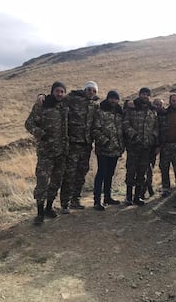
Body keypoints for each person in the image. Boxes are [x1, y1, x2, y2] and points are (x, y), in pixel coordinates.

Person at [36, 81, 100, 213]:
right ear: (84, 90)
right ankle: (65, 203)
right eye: (89, 89)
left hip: (87, 144)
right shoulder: (73, 99)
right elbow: (56, 97)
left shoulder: (95, 105)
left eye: (94, 91)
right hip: (72, 144)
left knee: (81, 173)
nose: (91, 92)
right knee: (69, 174)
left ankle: (75, 200)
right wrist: (41, 95)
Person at [25, 81, 69, 225]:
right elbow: (29, 123)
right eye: (57, 91)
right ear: (52, 91)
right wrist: (40, 134)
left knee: (56, 181)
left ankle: (49, 208)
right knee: (42, 182)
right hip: (46, 152)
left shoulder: (65, 106)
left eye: (62, 91)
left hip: (61, 152)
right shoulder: (42, 105)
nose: (60, 94)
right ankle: (39, 213)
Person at [123, 87, 158, 205]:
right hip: (133, 146)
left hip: (146, 147)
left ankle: (137, 196)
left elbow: (156, 127)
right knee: (131, 171)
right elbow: (126, 123)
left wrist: (152, 137)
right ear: (139, 95)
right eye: (143, 94)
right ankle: (128, 197)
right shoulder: (132, 108)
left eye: (147, 95)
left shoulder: (152, 110)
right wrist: (134, 136)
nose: (145, 96)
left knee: (142, 172)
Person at [91, 91, 125, 210]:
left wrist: (121, 146)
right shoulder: (100, 112)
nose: (113, 101)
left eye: (115, 99)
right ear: (108, 99)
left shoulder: (119, 113)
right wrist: (104, 141)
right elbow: (95, 130)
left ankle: (107, 197)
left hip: (115, 150)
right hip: (103, 149)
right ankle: (97, 201)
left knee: (110, 174)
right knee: (101, 173)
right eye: (111, 98)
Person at [143, 98, 165, 198]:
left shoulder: (165, 115)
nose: (157, 106)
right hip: (148, 145)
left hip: (158, 146)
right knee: (146, 168)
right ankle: (145, 189)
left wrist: (158, 146)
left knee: (151, 167)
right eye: (156, 104)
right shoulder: (149, 114)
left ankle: (150, 187)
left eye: (160, 105)